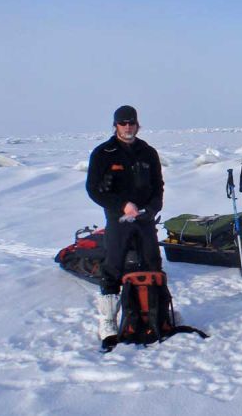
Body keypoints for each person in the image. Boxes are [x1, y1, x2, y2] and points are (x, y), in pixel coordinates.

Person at [86, 105, 164, 340]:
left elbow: (158, 185)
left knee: (153, 263)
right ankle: (107, 320)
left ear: (137, 125)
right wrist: (122, 205)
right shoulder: (103, 153)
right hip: (118, 218)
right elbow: (93, 189)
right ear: (115, 125)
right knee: (113, 266)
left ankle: (156, 311)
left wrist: (152, 208)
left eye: (131, 123)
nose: (128, 127)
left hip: (145, 219)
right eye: (123, 123)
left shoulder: (148, 152)